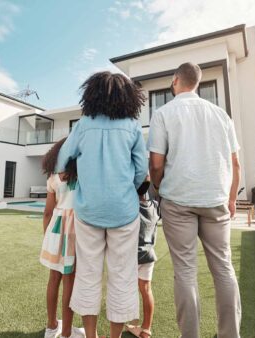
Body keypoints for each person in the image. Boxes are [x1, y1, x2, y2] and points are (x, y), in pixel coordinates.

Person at [148, 62, 242, 338]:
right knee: (223, 267)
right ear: (197, 83)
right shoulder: (221, 116)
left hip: (178, 201)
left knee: (186, 272)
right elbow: (236, 165)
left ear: (176, 80)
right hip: (216, 200)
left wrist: (158, 188)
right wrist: (232, 198)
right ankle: (230, 335)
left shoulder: (163, 113)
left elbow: (155, 164)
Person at [56, 71, 148, 338]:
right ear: (127, 97)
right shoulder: (132, 126)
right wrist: (125, 188)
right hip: (124, 211)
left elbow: (62, 160)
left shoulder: (84, 124)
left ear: (92, 94)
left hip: (89, 211)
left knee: (87, 275)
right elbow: (141, 170)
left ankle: (92, 336)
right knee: (122, 277)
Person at [39, 138, 86, 338]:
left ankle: (51, 327)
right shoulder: (82, 175)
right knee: (69, 280)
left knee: (53, 278)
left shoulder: (53, 177)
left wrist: (47, 237)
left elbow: (47, 212)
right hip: (75, 229)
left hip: (55, 230)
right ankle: (66, 332)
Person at [126, 179, 158, 338]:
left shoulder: (130, 207)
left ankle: (116, 330)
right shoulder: (154, 206)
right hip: (149, 255)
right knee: (146, 291)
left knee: (122, 291)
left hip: (131, 256)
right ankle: (146, 330)